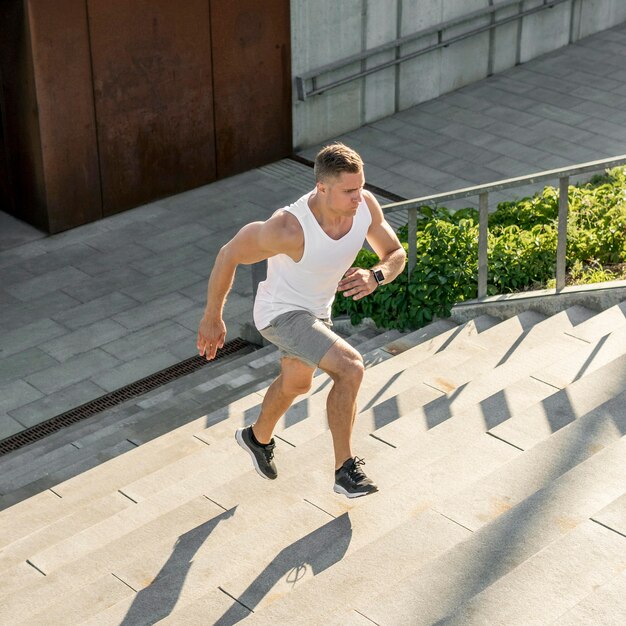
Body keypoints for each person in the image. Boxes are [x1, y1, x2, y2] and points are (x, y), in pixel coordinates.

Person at [197, 143, 406, 498]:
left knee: (296, 383)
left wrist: (377, 276)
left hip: (317, 310)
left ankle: (256, 438)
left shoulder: (366, 206)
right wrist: (212, 316)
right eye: (349, 191)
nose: (360, 198)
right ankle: (345, 471)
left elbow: (395, 254)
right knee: (351, 367)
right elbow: (228, 254)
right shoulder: (288, 229)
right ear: (322, 188)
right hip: (279, 312)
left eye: (361, 187)